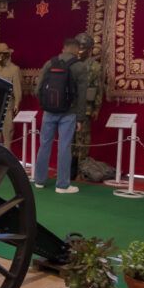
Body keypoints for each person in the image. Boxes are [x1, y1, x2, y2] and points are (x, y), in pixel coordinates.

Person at [34, 38, 88, 194]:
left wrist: (46, 105)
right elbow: (82, 95)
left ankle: (39, 180)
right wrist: (80, 118)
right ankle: (62, 185)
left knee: (44, 145)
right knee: (64, 146)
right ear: (77, 50)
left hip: (49, 112)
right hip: (68, 113)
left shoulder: (49, 63)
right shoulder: (79, 66)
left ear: (63, 48)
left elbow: (38, 89)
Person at [72, 32, 103, 175]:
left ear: (90, 49)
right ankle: (69, 169)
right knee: (68, 139)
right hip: (70, 108)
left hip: (85, 108)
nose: (79, 50)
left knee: (82, 140)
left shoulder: (95, 67)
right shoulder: (71, 63)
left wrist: (96, 108)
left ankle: (82, 170)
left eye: (83, 47)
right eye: (77, 47)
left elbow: (98, 89)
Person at [0, 42, 22, 147]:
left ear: (7, 54)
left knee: (8, 134)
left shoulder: (14, 69)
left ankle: (6, 156)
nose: (0, 56)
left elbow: (17, 89)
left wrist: (17, 103)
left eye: (2, 54)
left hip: (8, 107)